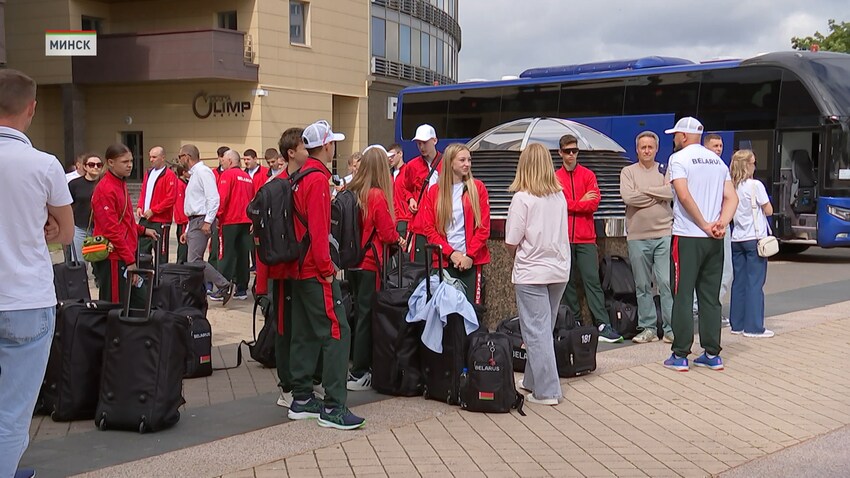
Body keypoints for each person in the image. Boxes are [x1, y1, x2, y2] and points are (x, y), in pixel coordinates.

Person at [0, 68, 74, 478]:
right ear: (31, 108)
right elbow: (65, 232)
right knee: (12, 411)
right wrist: (43, 222)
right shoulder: (45, 165)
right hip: (26, 299)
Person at [287, 120, 364, 430]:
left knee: (304, 332)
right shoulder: (317, 179)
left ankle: (302, 397)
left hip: (298, 267)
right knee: (337, 331)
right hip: (314, 268)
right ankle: (334, 406)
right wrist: (327, 268)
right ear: (328, 145)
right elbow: (319, 231)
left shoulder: (298, 177)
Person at [662, 117, 738, 372]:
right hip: (714, 240)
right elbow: (732, 198)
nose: (673, 138)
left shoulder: (679, 159)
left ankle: (680, 353)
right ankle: (712, 353)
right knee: (710, 296)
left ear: (683, 136)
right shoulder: (717, 161)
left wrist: (704, 223)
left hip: (687, 236)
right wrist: (721, 223)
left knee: (683, 294)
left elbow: (682, 195)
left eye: (675, 135)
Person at [505, 143, 570, 406]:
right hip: (558, 269)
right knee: (544, 329)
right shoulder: (560, 195)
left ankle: (548, 391)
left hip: (531, 271)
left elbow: (512, 239)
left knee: (535, 331)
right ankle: (532, 380)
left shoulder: (522, 198)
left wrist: (516, 256)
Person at [345, 145, 405, 392]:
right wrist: (398, 240)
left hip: (352, 261)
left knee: (357, 314)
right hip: (371, 262)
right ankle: (360, 370)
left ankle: (353, 366)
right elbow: (387, 232)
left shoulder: (352, 191)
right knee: (366, 317)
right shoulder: (377, 195)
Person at [555, 134, 623, 344]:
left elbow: (593, 204)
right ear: (560, 153)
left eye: (575, 151)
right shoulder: (555, 177)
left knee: (591, 280)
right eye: (568, 151)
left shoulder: (588, 175)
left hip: (585, 238)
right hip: (564, 237)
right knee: (566, 283)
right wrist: (578, 202)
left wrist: (571, 203)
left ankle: (602, 324)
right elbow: (558, 205)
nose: (572, 155)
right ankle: (574, 321)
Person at [620, 131, 675, 344]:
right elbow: (628, 197)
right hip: (637, 236)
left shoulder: (665, 170)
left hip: (663, 234)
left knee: (665, 282)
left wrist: (645, 192)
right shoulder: (628, 172)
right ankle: (648, 328)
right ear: (637, 149)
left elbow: (671, 193)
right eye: (643, 147)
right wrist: (657, 195)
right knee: (642, 285)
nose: (646, 150)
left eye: (650, 147)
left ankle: (670, 329)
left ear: (656, 149)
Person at [419, 143, 490, 306]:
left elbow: (483, 228)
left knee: (472, 310)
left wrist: (469, 255)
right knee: (444, 312)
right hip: (444, 261)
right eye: (462, 160)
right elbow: (429, 229)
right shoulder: (435, 191)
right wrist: (451, 254)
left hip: (471, 261)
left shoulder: (477, 188)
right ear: (451, 162)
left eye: (469, 160)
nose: (467, 164)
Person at [91, 143, 159, 307]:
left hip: (125, 254)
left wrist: (142, 230)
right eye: (124, 161)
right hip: (114, 256)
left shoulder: (120, 183)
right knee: (115, 305)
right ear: (111, 162)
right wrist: (130, 261)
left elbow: (126, 221)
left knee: (137, 303)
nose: (130, 165)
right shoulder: (106, 188)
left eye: (131, 161)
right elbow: (111, 230)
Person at [177, 144, 234, 305]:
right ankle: (199, 292)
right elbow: (195, 202)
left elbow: (213, 198)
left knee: (194, 261)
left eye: (181, 156)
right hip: (195, 220)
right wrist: (188, 229)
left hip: (201, 220)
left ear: (187, 156)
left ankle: (222, 284)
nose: (179, 160)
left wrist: (208, 221)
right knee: (194, 261)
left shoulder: (203, 172)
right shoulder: (195, 174)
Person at [729, 150, 775, 338]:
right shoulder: (755, 185)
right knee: (755, 283)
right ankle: (754, 327)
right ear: (747, 165)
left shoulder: (731, 186)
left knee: (739, 282)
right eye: (753, 163)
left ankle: (737, 324)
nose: (755, 166)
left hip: (736, 238)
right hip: (754, 239)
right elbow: (769, 210)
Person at [694, 133, 733, 327]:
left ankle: (711, 307)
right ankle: (697, 308)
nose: (718, 149)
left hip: (721, 224)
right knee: (700, 270)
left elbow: (731, 198)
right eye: (715, 145)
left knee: (725, 271)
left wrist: (723, 221)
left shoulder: (722, 169)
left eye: (720, 146)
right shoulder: (697, 168)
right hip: (700, 226)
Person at [215, 149, 255, 300]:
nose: (222, 163)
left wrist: (217, 216)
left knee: (225, 254)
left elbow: (222, 198)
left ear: (230, 161)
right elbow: (252, 200)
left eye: (224, 160)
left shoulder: (227, 175)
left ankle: (222, 287)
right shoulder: (247, 177)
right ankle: (242, 288)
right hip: (245, 221)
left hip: (230, 221)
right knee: (243, 255)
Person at [401, 124, 442, 262]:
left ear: (434, 141)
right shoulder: (412, 166)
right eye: (419, 143)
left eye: (424, 143)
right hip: (420, 224)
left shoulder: (445, 164)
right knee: (418, 267)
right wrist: (410, 199)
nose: (421, 147)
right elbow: (405, 188)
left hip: (440, 223)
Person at [136, 146, 177, 265]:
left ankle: (160, 279)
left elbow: (170, 199)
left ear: (163, 158)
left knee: (161, 253)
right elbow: (143, 192)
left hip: (160, 220)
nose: (151, 159)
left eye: (154, 157)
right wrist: (140, 206)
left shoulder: (169, 175)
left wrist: (154, 210)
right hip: (146, 218)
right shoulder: (148, 173)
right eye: (150, 157)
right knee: (142, 250)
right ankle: (145, 277)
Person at [66, 152, 103, 264]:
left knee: (100, 264)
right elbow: (68, 205)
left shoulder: (105, 184)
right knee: (79, 263)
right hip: (80, 228)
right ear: (85, 167)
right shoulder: (74, 184)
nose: (95, 167)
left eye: (99, 165)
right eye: (91, 164)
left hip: (100, 230)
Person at [388, 143, 410, 236]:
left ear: (400, 154)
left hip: (405, 218)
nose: (390, 159)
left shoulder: (408, 171)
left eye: (392, 156)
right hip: (393, 219)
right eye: (388, 156)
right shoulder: (390, 175)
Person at [173, 164, 190, 264]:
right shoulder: (179, 184)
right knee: (183, 244)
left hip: (185, 219)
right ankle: (180, 264)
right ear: (183, 172)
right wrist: (185, 219)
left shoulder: (185, 183)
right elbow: (179, 204)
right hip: (183, 220)